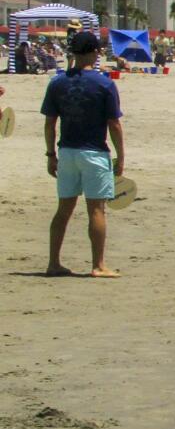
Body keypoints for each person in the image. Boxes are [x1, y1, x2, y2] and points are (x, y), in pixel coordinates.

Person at [42, 30, 124, 278]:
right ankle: (98, 265)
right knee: (96, 209)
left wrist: (50, 154)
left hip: (66, 151)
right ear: (95, 52)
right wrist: (121, 156)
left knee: (64, 209)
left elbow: (50, 123)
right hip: (94, 152)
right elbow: (114, 124)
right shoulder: (104, 83)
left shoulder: (57, 82)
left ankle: (53, 263)